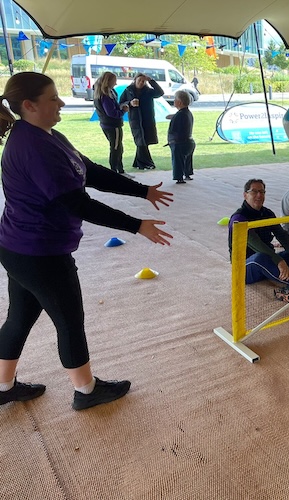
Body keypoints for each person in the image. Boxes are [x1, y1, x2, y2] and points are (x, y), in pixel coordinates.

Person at [0, 72, 174, 410]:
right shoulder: (33, 148)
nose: (61, 102)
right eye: (53, 98)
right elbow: (78, 203)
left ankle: (4, 385)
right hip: (40, 253)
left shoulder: (45, 135)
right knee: (69, 322)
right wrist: (137, 225)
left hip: (21, 248)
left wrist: (143, 191)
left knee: (20, 316)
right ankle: (86, 391)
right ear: (29, 105)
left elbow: (90, 171)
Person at [119, 73, 164, 170]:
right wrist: (130, 103)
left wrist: (151, 81)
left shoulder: (148, 91)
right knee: (140, 140)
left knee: (145, 140)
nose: (141, 82)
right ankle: (147, 163)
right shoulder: (128, 90)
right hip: (135, 119)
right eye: (139, 80)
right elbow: (121, 103)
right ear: (135, 80)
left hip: (147, 119)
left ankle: (139, 163)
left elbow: (160, 93)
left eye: (143, 81)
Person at [92, 71, 131, 177]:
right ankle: (115, 172)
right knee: (115, 148)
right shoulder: (106, 96)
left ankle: (120, 170)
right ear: (108, 81)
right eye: (114, 81)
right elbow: (112, 113)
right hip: (113, 126)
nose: (116, 83)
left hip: (107, 124)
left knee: (118, 147)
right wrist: (123, 111)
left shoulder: (103, 92)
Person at [166, 90, 195, 184]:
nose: (173, 101)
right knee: (187, 160)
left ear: (179, 102)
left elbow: (174, 130)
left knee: (178, 161)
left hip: (179, 143)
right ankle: (187, 173)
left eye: (175, 99)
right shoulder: (187, 113)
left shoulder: (179, 115)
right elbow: (181, 117)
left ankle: (179, 177)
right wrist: (173, 116)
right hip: (189, 142)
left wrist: (171, 141)